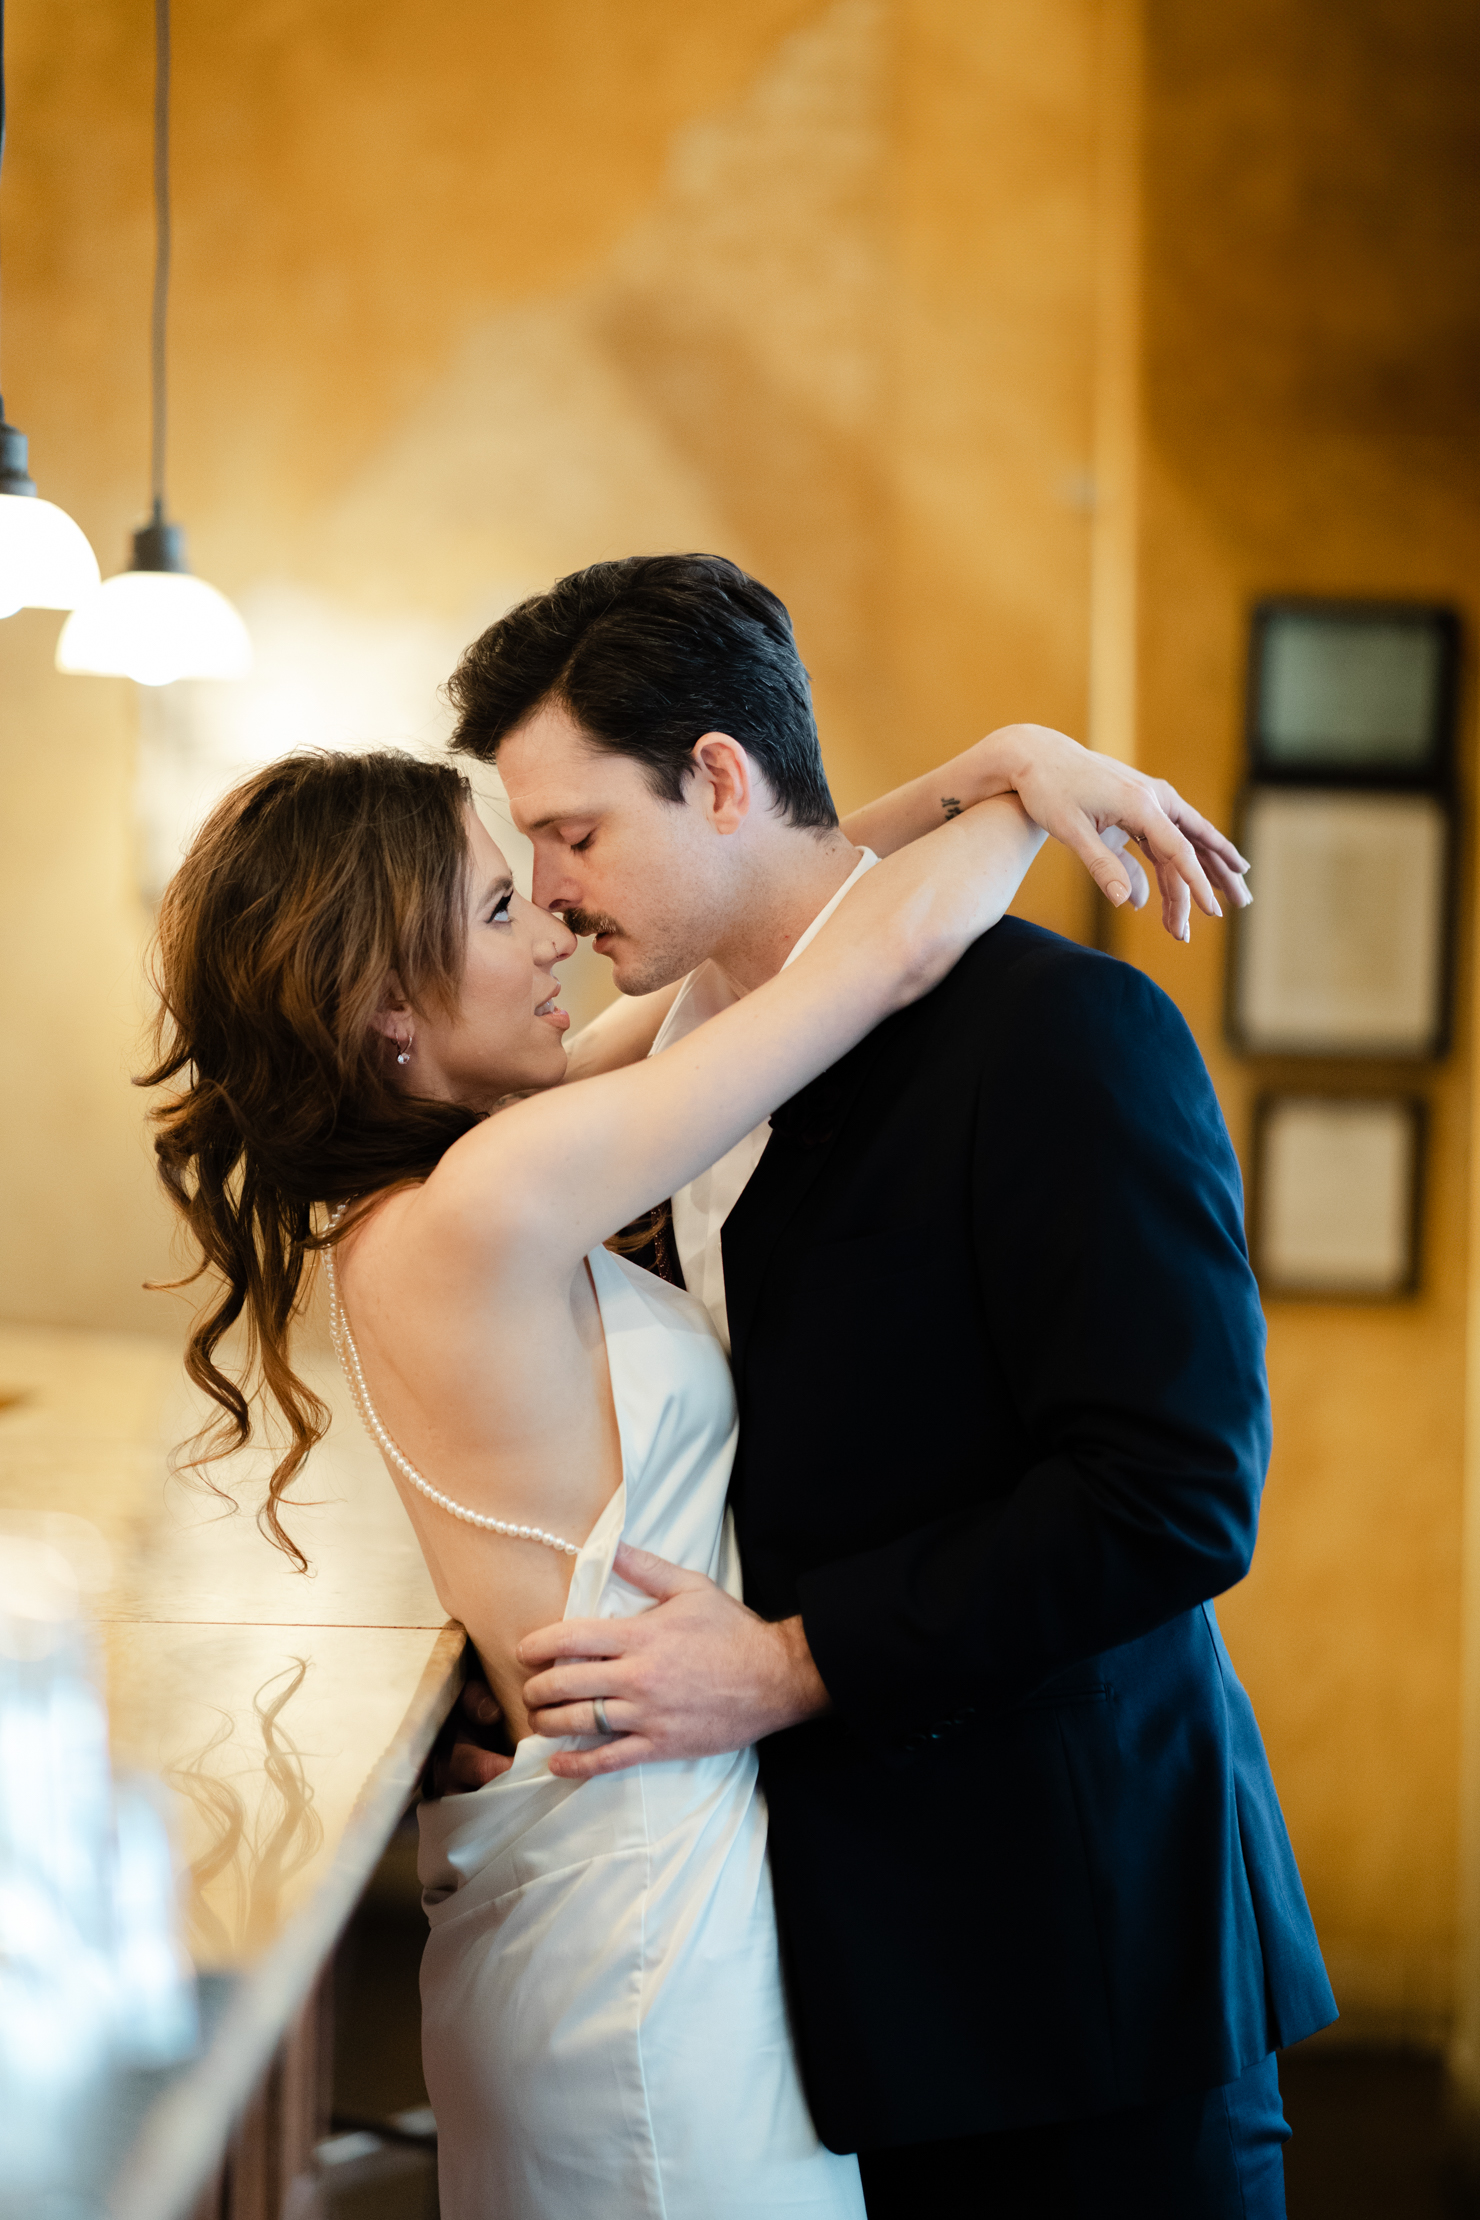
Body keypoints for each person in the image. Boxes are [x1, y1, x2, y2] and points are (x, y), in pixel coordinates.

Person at [141, 705, 1216, 2220]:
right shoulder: (497, 1195)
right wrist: (1037, 783)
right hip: (645, 1928)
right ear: (393, 1012)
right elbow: (873, 960)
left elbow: (750, 930)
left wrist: (963, 778)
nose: (554, 932)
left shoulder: (448, 1193)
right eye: (504, 903)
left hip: (623, 1876)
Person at [439, 553, 1338, 2219]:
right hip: (823, 1980)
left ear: (718, 778)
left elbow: (1176, 1494)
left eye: (573, 836)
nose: (551, 896)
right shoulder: (679, 1080)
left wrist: (794, 1661)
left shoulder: (1061, 1040)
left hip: (1083, 1976)